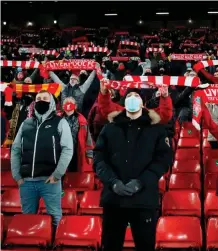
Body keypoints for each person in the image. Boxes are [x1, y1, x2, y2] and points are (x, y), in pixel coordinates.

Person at [94, 88, 173, 251]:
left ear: (143, 103)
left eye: (136, 96)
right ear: (123, 103)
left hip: (143, 200)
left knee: (145, 246)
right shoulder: (110, 128)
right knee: (110, 245)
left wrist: (141, 182)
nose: (132, 98)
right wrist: (113, 182)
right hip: (114, 199)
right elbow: (99, 159)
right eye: (129, 96)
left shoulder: (156, 129)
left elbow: (163, 160)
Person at [10, 90, 73, 227]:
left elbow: (68, 149)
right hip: (26, 181)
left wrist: (57, 175)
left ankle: (55, 246)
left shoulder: (60, 122)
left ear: (51, 103)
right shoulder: (26, 123)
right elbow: (15, 149)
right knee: (28, 219)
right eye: (38, 98)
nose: (41, 101)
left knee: (55, 217)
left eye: (45, 98)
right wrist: (17, 175)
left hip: (49, 181)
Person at [62, 97, 94, 172]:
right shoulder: (58, 118)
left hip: (76, 153)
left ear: (75, 106)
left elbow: (88, 138)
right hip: (61, 153)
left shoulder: (82, 120)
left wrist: (89, 154)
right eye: (66, 102)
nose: (68, 104)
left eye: (70, 102)